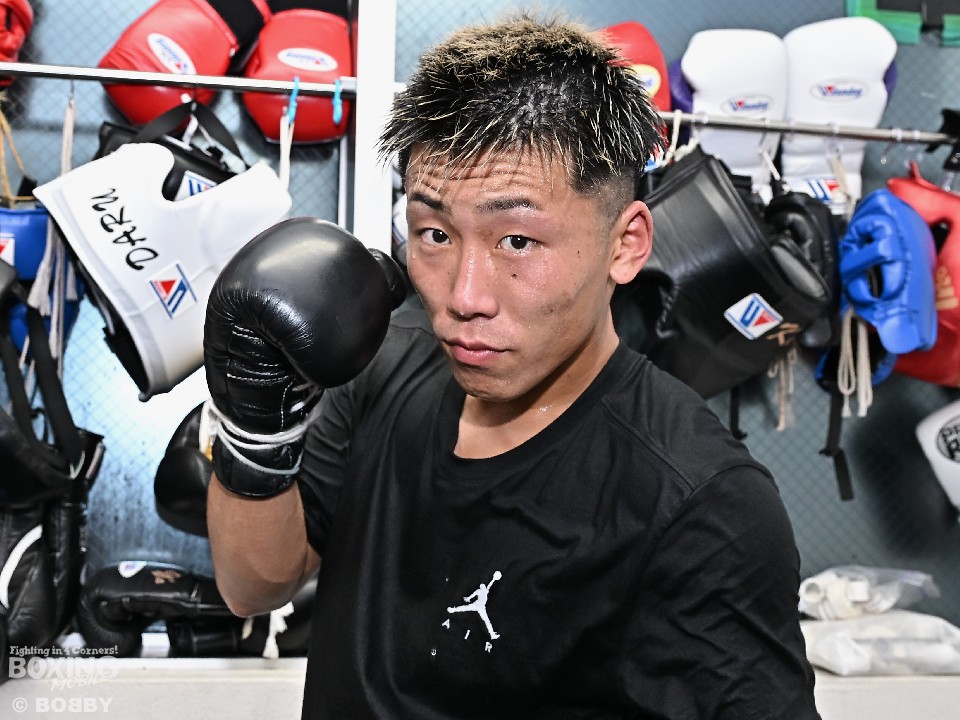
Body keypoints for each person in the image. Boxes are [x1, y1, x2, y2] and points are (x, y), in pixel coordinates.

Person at [203, 12, 822, 719]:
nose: (464, 297)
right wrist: (256, 426)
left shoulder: (701, 503)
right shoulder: (379, 372)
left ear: (625, 244)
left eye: (518, 240)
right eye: (435, 233)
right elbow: (253, 587)